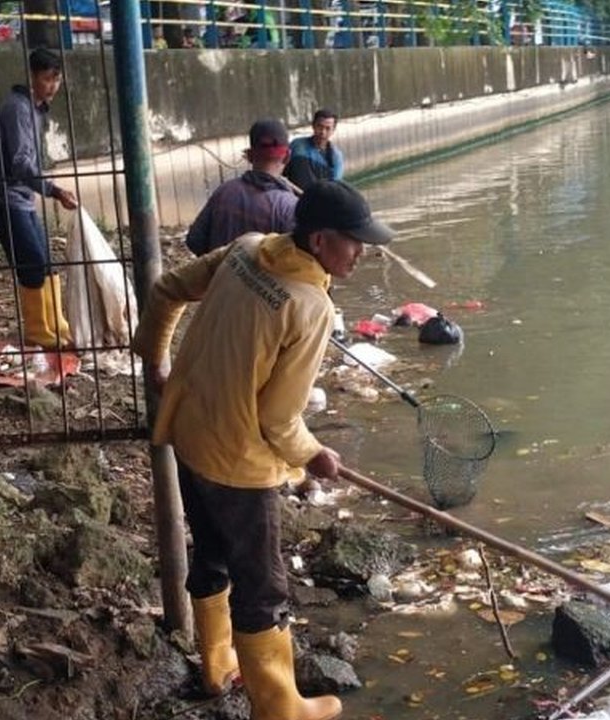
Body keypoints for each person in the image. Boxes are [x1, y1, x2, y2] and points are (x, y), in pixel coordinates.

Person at [132, 180, 394, 719]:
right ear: (320, 240)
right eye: (353, 241)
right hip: (239, 464)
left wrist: (157, 362)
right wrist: (313, 454)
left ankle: (216, 665)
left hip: (188, 433)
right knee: (265, 589)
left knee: (210, 555)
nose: (362, 253)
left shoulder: (247, 248)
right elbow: (278, 419)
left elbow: (165, 293)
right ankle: (278, 708)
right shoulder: (310, 305)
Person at [0, 47, 78, 349]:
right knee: (32, 263)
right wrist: (54, 190)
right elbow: (21, 163)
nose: (54, 86)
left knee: (45, 262)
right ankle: (38, 330)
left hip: (21, 196)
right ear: (32, 76)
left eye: (57, 80)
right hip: (5, 195)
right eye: (48, 79)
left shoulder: (34, 109)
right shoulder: (18, 108)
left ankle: (55, 323)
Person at [185, 119, 297, 256]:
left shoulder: (224, 191)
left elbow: (194, 240)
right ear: (287, 157)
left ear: (249, 156)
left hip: (218, 276)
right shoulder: (290, 207)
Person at [284, 108, 343, 190]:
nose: (323, 132)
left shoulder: (336, 157)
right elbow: (282, 169)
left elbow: (334, 187)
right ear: (313, 125)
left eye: (328, 128)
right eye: (320, 126)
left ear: (333, 130)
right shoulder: (297, 146)